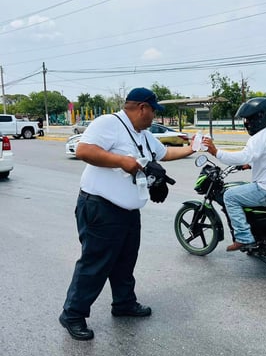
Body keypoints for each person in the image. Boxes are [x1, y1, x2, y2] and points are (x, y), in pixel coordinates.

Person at [59, 87, 195, 340]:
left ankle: (123, 303)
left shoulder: (142, 134)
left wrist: (193, 148)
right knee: (95, 264)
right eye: (153, 111)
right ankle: (73, 314)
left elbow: (164, 153)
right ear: (142, 107)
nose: (154, 116)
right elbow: (84, 151)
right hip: (101, 208)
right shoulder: (109, 123)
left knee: (125, 262)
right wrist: (122, 162)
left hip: (127, 211)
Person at [203, 97, 266, 252]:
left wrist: (216, 152)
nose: (246, 122)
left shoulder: (258, 138)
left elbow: (242, 156)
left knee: (230, 196)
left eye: (249, 118)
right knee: (242, 189)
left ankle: (244, 238)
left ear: (259, 117)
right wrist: (249, 164)